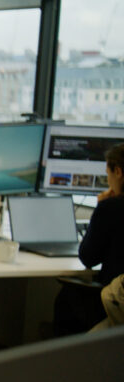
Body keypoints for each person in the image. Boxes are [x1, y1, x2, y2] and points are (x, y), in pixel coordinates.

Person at [53, 143, 124, 335]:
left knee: (65, 298)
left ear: (117, 172)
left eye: (107, 174)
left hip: (114, 303)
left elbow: (88, 258)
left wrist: (101, 207)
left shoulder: (111, 208)